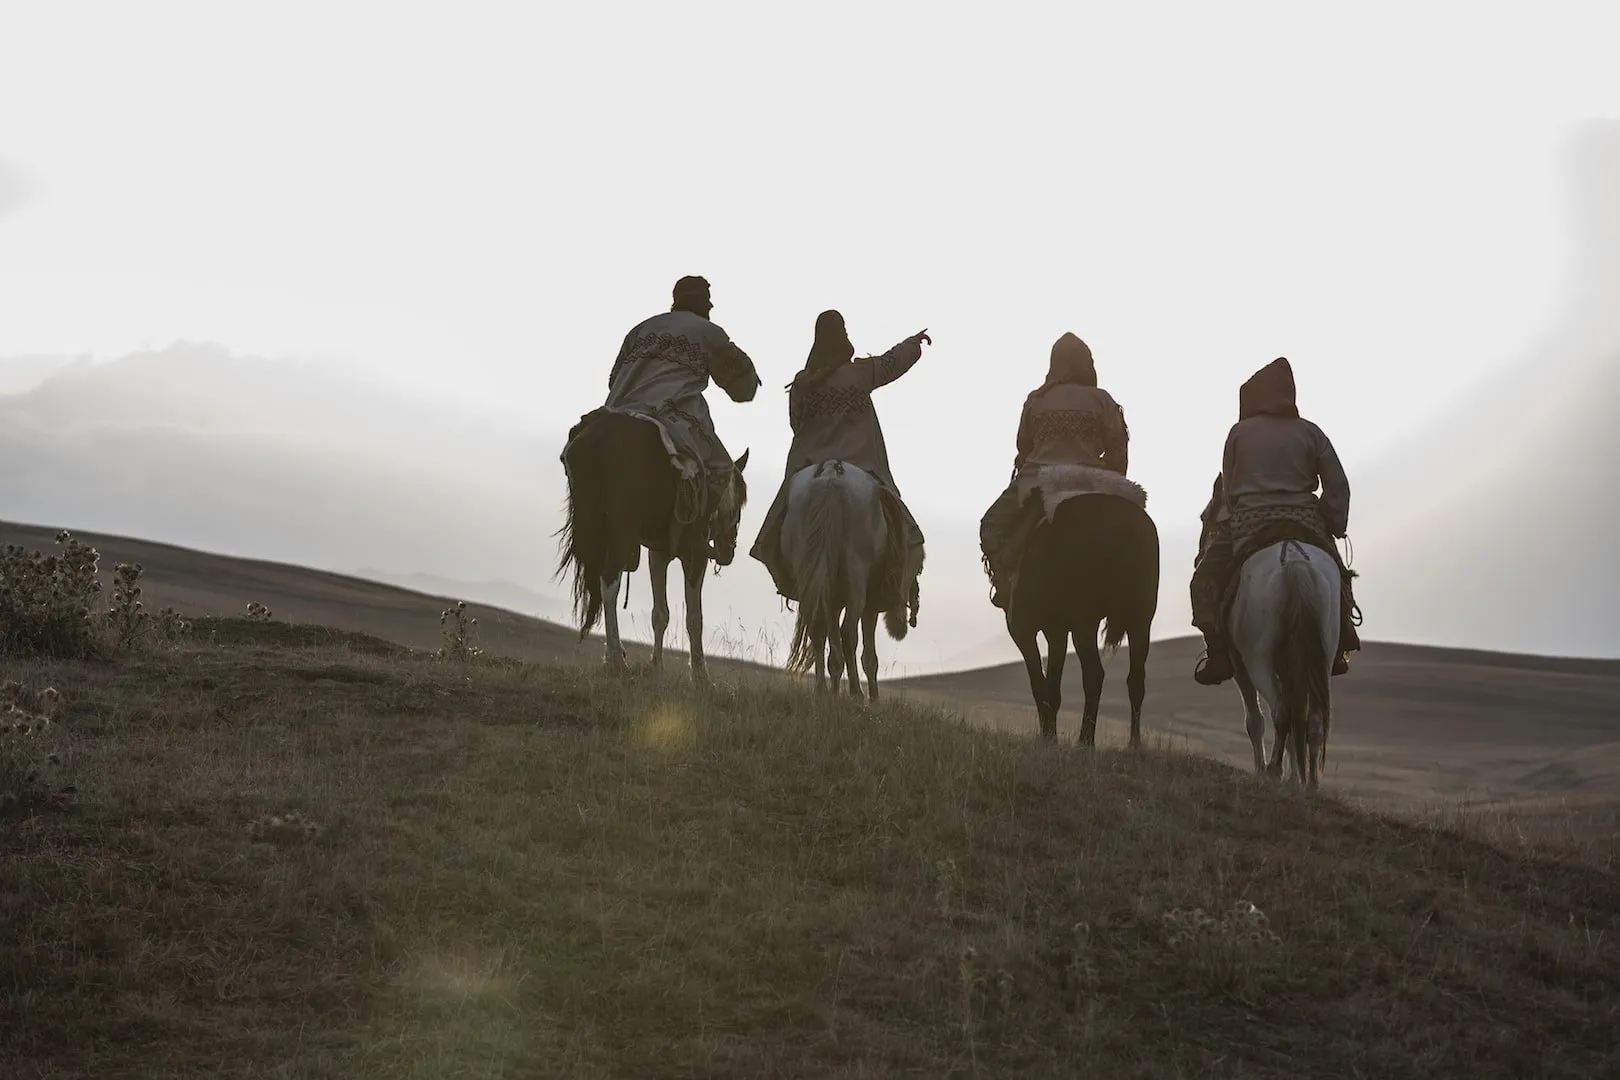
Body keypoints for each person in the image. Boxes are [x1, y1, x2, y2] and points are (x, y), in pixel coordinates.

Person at [1189, 356, 1362, 686]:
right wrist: (1333, 521)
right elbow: (1338, 484)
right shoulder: (1312, 432)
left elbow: (1231, 486)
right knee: (1339, 578)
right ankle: (1340, 644)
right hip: (1306, 522)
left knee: (1203, 581)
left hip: (1251, 523)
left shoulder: (1238, 433)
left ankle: (1219, 654)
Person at [749, 310, 931, 620]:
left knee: (778, 521)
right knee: (906, 531)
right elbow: (891, 363)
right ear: (843, 335)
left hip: (809, 464)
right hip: (863, 463)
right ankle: (904, 584)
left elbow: (796, 425)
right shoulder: (860, 374)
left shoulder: (802, 384)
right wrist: (914, 343)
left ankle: (782, 572)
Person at [979, 332, 1130, 609]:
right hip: (1090, 482)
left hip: (1039, 480)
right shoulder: (1104, 400)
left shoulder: (1036, 400)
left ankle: (1004, 585)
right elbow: (1118, 452)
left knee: (990, 526)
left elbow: (1023, 449)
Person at [597, 274, 762, 478]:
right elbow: (743, 391)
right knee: (722, 473)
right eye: (707, 300)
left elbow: (614, 379)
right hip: (669, 413)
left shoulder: (640, 329)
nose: (711, 306)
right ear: (701, 302)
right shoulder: (709, 332)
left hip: (617, 409)